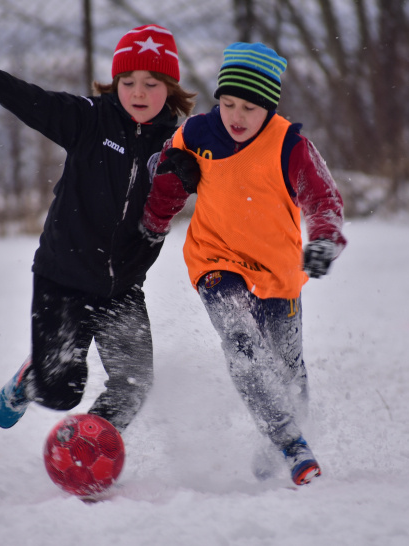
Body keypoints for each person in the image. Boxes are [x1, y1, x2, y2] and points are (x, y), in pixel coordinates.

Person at [0, 25, 196, 433]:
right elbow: (34, 102)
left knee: (134, 385)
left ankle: (89, 444)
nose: (139, 92)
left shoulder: (180, 141)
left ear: (170, 87)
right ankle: (32, 376)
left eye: (152, 83)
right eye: (128, 82)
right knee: (61, 392)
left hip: (122, 287)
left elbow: (229, 169)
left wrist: (192, 175)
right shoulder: (89, 119)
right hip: (63, 277)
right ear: (114, 84)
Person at [140, 42, 346, 486]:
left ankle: (289, 431)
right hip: (215, 258)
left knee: (288, 369)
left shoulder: (290, 144)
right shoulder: (197, 133)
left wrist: (326, 239)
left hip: (277, 269)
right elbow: (162, 172)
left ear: (269, 108)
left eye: (249, 108)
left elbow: (323, 198)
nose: (235, 116)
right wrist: (166, 180)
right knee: (240, 341)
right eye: (228, 103)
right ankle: (290, 442)